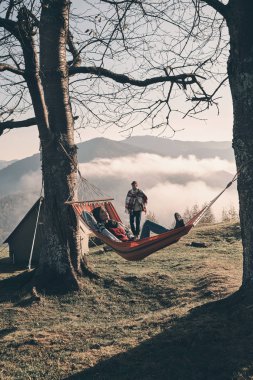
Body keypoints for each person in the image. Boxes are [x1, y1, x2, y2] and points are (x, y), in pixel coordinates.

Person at [92, 206, 185, 242]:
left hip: (134, 242)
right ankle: (172, 231)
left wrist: (132, 237)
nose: (106, 213)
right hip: (127, 246)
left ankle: (173, 231)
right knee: (147, 224)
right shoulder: (101, 226)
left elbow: (127, 232)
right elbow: (111, 237)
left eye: (106, 211)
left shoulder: (115, 223)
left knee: (147, 223)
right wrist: (122, 244)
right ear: (98, 216)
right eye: (102, 213)